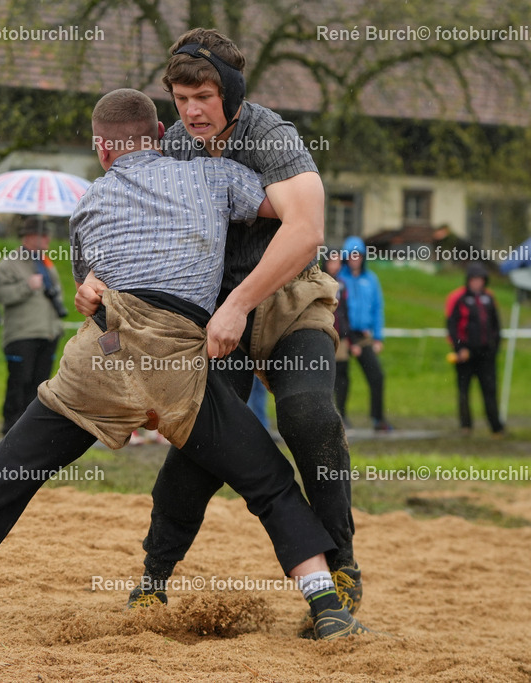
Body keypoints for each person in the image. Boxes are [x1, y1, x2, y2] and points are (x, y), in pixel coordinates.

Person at [0, 88, 371, 641]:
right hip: (176, 367)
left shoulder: (89, 204)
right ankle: (326, 605)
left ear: (102, 150)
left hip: (104, 354)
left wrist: (90, 280)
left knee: (9, 472)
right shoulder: (214, 179)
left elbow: (89, 286)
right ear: (162, 137)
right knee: (269, 480)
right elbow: (287, 213)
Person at [77, 29, 362, 620]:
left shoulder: (272, 137)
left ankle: (343, 569)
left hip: (286, 300)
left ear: (230, 93)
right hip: (211, 313)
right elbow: (130, 218)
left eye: (203, 96)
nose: (192, 111)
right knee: (202, 443)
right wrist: (97, 281)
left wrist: (241, 303)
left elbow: (305, 230)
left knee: (310, 416)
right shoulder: (175, 147)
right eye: (181, 99)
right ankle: (155, 575)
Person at [0, 217, 66, 435]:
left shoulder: (46, 264)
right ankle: (11, 426)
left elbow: (57, 294)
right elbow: (0, 294)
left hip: (48, 333)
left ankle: (31, 429)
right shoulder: (9, 263)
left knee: (40, 384)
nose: (48, 239)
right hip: (21, 335)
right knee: (19, 381)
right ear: (29, 237)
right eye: (43, 234)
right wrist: (26, 286)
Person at [339, 236, 393, 432]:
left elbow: (378, 308)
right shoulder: (339, 278)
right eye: (352, 255)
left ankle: (378, 418)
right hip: (344, 335)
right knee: (342, 378)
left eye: (358, 255)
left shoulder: (371, 280)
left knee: (377, 375)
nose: (355, 259)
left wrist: (378, 337)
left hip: (363, 335)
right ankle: (341, 417)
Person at [445, 263, 505, 436]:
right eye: (474, 279)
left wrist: (495, 347)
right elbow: (451, 326)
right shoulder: (459, 298)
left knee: (490, 390)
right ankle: (466, 426)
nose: (477, 283)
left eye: (480, 279)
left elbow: (496, 325)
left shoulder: (489, 298)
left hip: (486, 353)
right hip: (465, 354)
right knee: (464, 391)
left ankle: (496, 427)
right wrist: (459, 348)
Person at [325, 248, 352, 426]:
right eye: (332, 261)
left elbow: (345, 311)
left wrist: (349, 335)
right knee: (326, 375)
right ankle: (327, 413)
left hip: (341, 337)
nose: (335, 265)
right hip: (325, 335)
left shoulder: (341, 285)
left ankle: (342, 412)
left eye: (338, 262)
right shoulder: (320, 281)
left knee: (342, 376)